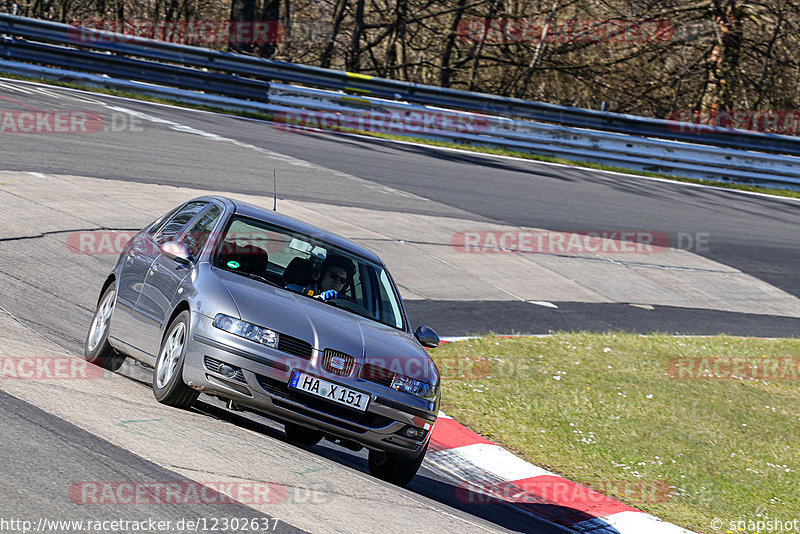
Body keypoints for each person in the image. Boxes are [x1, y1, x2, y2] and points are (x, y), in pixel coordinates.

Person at [285, 254, 354, 301]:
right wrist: (317, 298)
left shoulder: (344, 303)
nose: (337, 282)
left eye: (342, 280)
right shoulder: (294, 289)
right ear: (320, 275)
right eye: (334, 276)